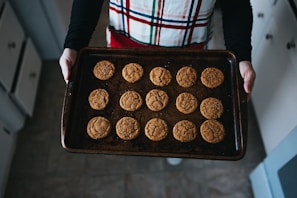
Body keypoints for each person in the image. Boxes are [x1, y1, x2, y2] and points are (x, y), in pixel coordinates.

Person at [59, 0, 256, 165]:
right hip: (125, 51)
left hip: (189, 57)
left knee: (177, 126)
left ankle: (174, 150)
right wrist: (74, 43)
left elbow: (236, 4)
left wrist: (241, 56)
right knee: (125, 104)